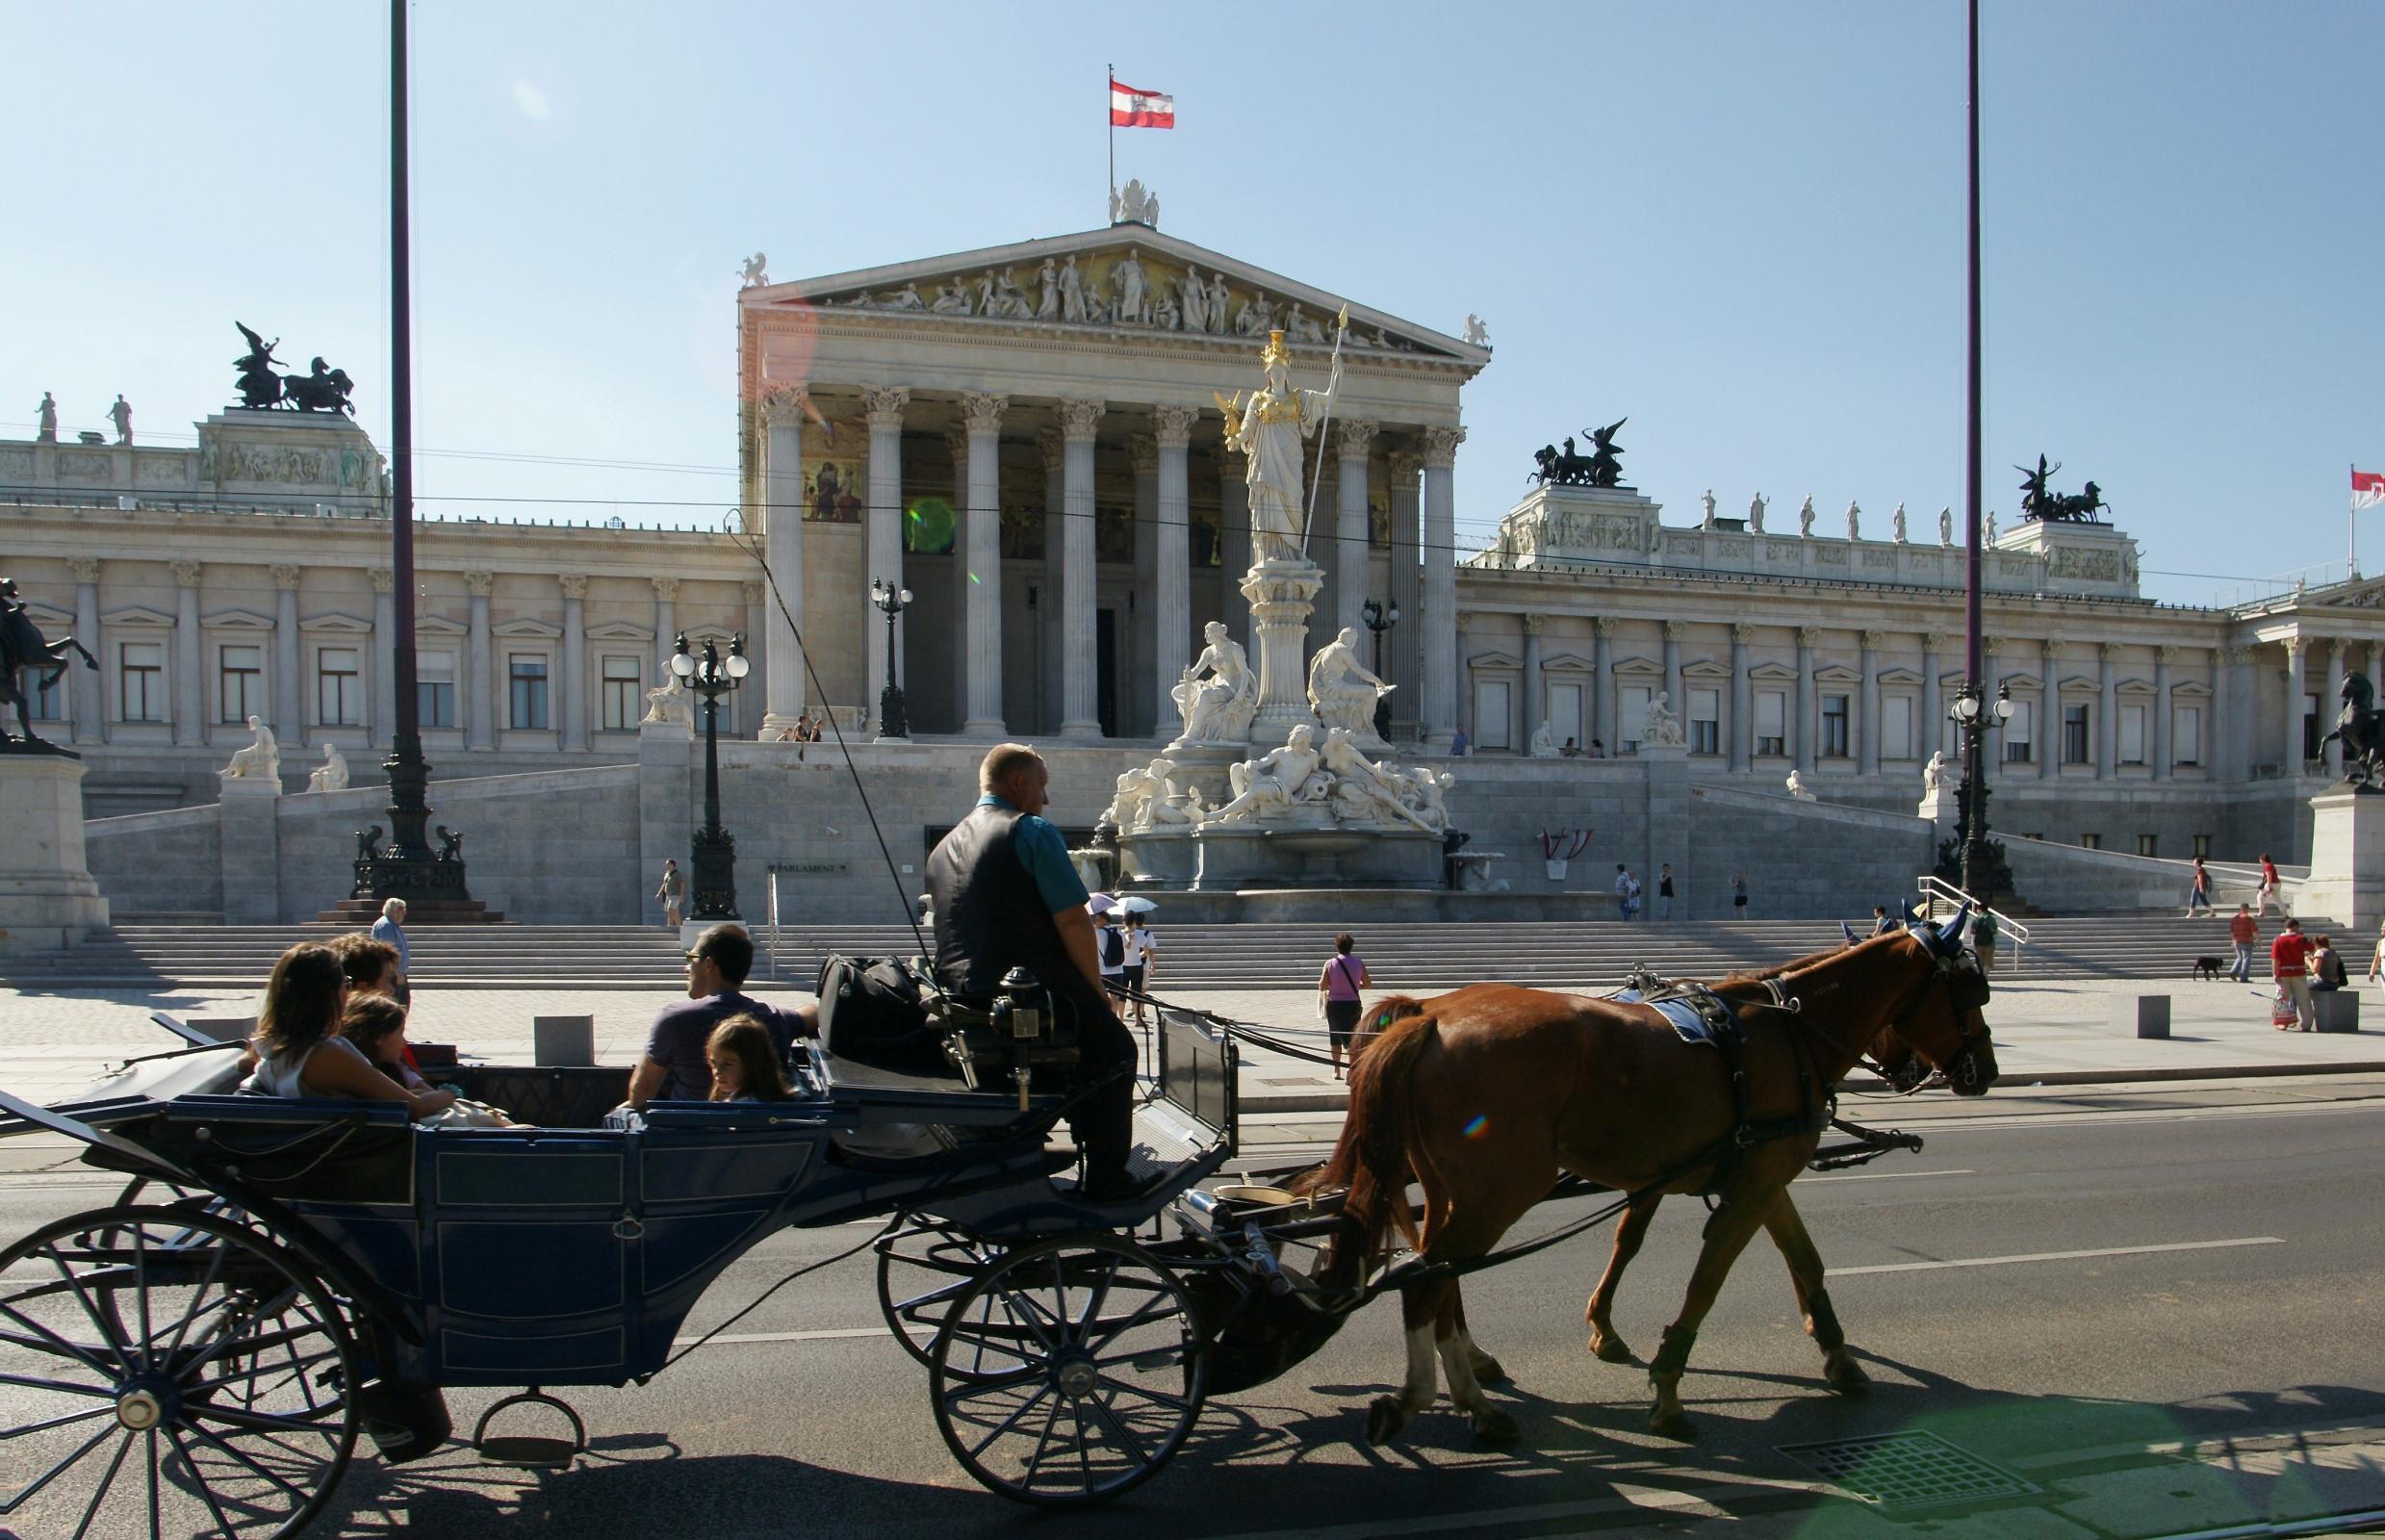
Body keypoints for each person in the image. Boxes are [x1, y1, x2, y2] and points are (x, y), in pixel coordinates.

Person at [927, 744, 1139, 1198]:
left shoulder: (942, 848)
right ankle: (1108, 1178)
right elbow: (1072, 919)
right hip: (1031, 996)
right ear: (1018, 783)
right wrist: (1096, 990)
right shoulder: (1031, 830)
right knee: (1117, 1051)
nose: (1047, 799)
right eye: (1043, 786)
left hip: (967, 1000)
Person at [244, 943, 456, 1118]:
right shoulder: (326, 1055)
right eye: (345, 984)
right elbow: (415, 1106)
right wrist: (450, 1093)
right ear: (328, 994)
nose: (348, 992)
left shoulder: (268, 1046)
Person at [624, 923, 797, 1109]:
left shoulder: (674, 1019)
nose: (687, 968)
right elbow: (812, 1013)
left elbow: (640, 1096)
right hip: (751, 1127)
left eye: (691, 957)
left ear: (708, 965)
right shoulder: (773, 1017)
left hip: (683, 1129)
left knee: (614, 1117)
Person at [1317, 933, 1370, 1082]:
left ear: (1336, 947)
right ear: (1351, 946)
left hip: (1335, 1005)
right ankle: (1351, 1071)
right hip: (1353, 1004)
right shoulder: (1359, 963)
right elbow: (1368, 984)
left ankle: (1337, 1070)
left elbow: (1322, 986)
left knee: (1335, 1037)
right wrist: (1355, 985)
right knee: (1352, 1037)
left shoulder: (1330, 963)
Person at [706, 1014, 794, 1102]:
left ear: (752, 1063)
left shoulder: (743, 1105)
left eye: (727, 1064)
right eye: (714, 1063)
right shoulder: (771, 1096)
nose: (717, 1071)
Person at [2271, 917, 2316, 1032]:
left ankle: (2283, 1023)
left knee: (2282, 998)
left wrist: (2275, 974)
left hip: (2283, 972)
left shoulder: (2278, 940)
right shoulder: (2301, 939)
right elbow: (2312, 949)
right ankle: (2306, 1024)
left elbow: (2275, 960)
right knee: (2303, 999)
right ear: (2296, 927)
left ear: (2286, 928)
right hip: (2299, 972)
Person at [370, 898, 410, 1005]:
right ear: (392, 911)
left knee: (402, 1005)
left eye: (404, 909)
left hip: (396, 974)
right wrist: (397, 973)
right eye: (401, 909)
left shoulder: (393, 925)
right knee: (396, 1005)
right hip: (392, 976)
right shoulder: (386, 926)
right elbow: (388, 952)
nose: (404, 912)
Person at [1120, 912, 1155, 1030]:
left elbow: (1122, 949)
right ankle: (1138, 1019)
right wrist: (1137, 955)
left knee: (1122, 993)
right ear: (1135, 922)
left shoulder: (1119, 933)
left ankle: (1121, 1019)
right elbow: (1146, 951)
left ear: (1123, 921)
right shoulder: (1140, 935)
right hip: (1137, 966)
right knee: (1136, 993)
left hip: (1123, 966)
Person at [2229, 903, 2259, 983]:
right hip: (2247, 941)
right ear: (2247, 909)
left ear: (2240, 909)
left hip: (2237, 941)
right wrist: (2259, 940)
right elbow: (2254, 931)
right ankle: (2244, 978)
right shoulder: (2249, 919)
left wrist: (2233, 940)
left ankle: (2233, 972)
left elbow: (2231, 932)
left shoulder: (2234, 919)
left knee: (2239, 957)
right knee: (2246, 959)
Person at [655, 859, 684, 928]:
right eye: (666, 864)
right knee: (675, 912)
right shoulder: (667, 874)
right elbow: (664, 884)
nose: (667, 866)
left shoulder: (677, 874)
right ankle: (680, 926)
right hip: (668, 895)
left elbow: (682, 884)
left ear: (673, 865)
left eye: (668, 864)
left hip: (675, 895)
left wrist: (682, 895)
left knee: (670, 909)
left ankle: (670, 925)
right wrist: (659, 893)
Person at [1972, 908, 2000, 973]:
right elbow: (1995, 931)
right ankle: (1984, 977)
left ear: (1979, 909)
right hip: (1990, 944)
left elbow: (1972, 931)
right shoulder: (1991, 919)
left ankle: (1981, 976)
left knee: (1981, 963)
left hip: (1978, 944)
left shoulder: (1976, 919)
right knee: (1988, 962)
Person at [2255, 853, 2281, 917]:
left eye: (2260, 860)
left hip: (2272, 884)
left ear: (2262, 860)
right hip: (2277, 884)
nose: (2260, 861)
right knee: (2277, 899)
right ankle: (2285, 915)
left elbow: (2269, 876)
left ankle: (2261, 912)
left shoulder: (2267, 866)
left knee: (2260, 896)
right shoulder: (2271, 865)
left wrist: (2268, 887)